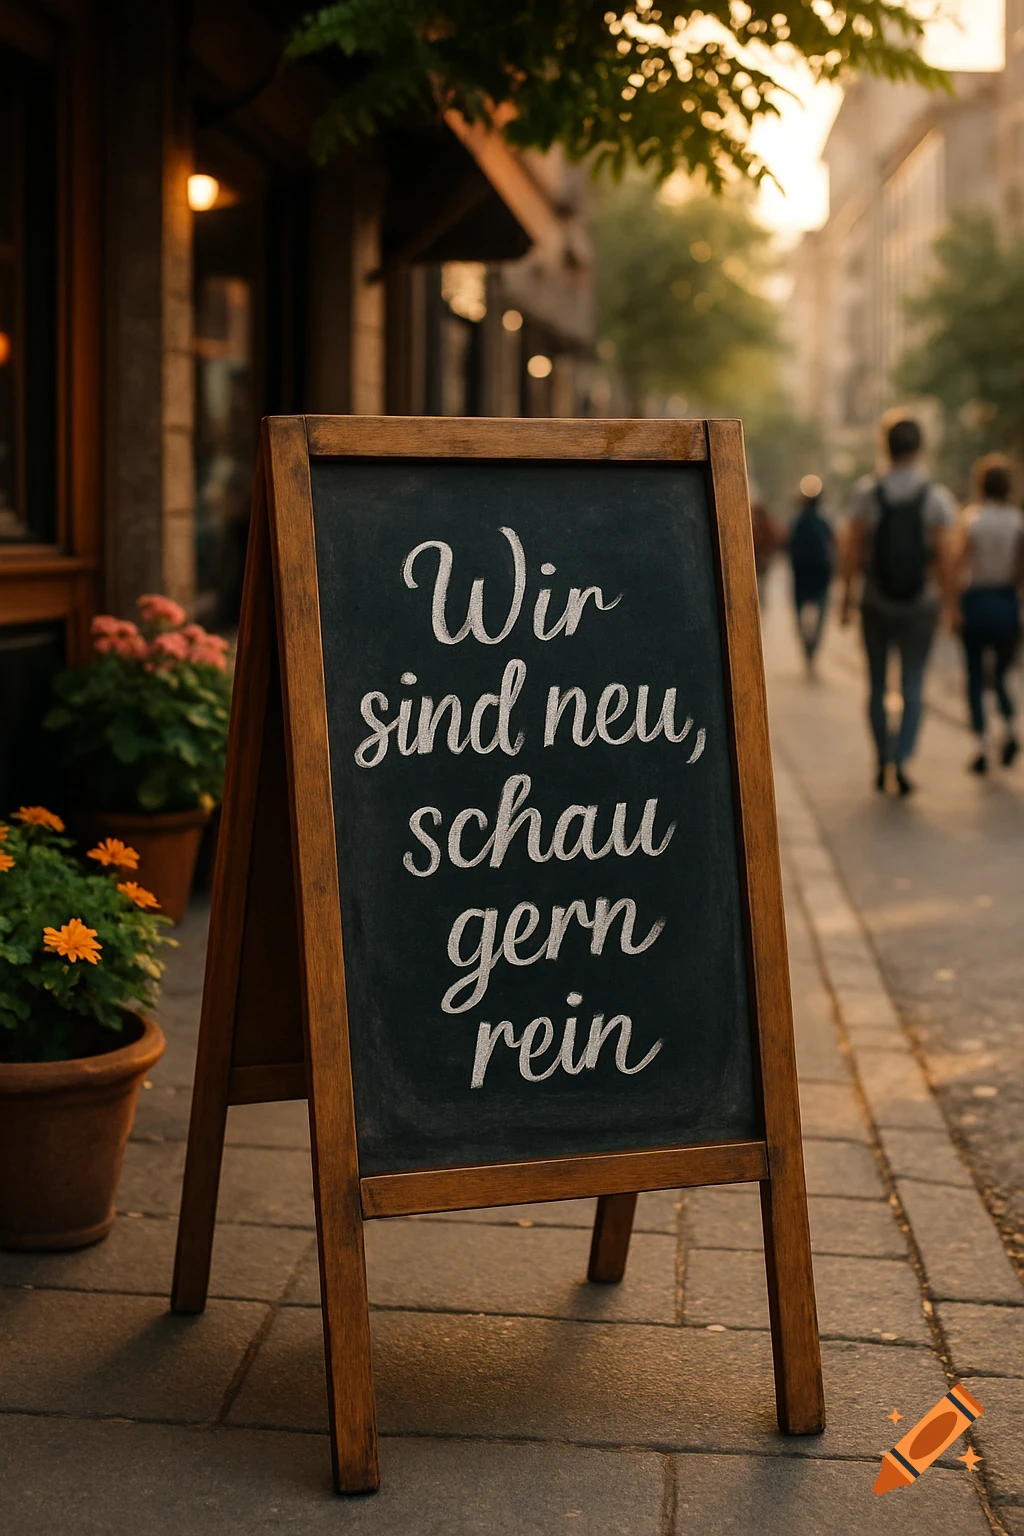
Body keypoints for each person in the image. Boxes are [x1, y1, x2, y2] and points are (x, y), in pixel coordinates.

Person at [840, 418, 957, 795]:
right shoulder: (935, 497)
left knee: (875, 686)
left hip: (875, 601)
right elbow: (945, 557)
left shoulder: (867, 492)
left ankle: (882, 758)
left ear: (885, 447)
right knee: (912, 684)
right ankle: (902, 759)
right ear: (920, 448)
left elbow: (853, 548)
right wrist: (950, 604)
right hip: (918, 604)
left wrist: (846, 597)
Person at [956, 455, 1024, 774]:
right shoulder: (1017, 521)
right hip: (1006, 601)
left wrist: (952, 605)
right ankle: (1010, 727)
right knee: (1001, 673)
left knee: (973, 674)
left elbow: (960, 564)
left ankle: (981, 742)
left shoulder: (972, 519)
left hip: (977, 599)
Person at [788, 474, 834, 674]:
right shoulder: (824, 522)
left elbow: (789, 548)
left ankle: (807, 650)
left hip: (801, 576)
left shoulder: (797, 522)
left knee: (799, 614)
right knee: (822, 614)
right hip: (822, 576)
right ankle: (813, 649)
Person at [751, 498, 785, 607]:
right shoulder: (760, 525)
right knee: (759, 583)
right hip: (758, 558)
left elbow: (773, 541)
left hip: (761, 558)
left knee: (760, 583)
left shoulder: (764, 526)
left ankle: (759, 604)